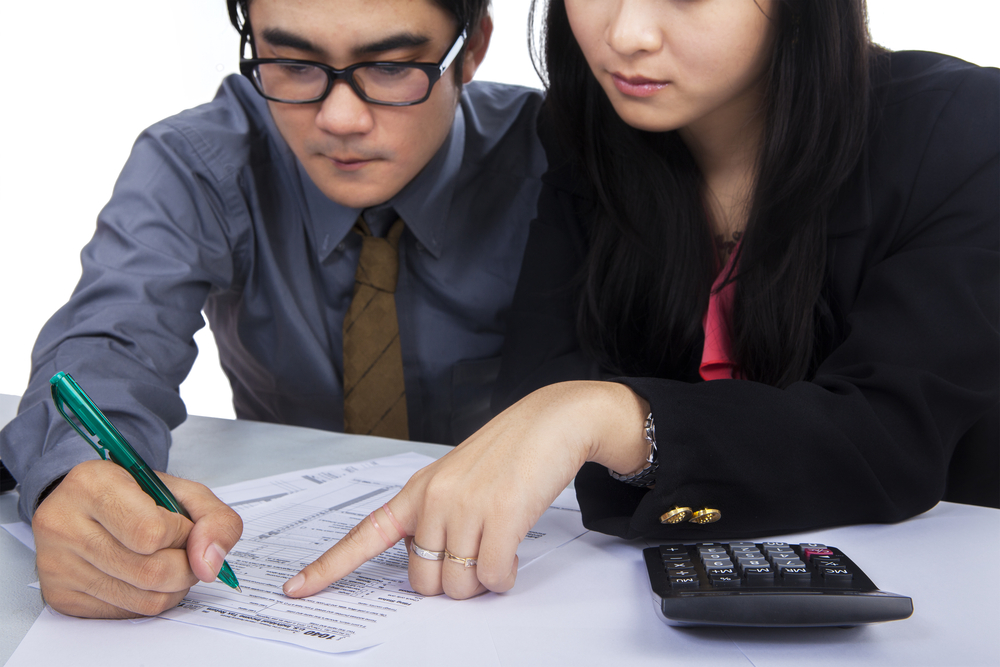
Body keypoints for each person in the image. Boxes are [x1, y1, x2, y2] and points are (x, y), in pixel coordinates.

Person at [283, 0, 998, 603]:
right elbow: (535, 400)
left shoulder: (961, 129)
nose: (626, 34)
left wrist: (615, 414)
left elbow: (893, 434)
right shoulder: (589, 134)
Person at [0, 0, 548, 618]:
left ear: (471, 47)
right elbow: (109, 344)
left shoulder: (563, 159)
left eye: (393, 68)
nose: (340, 118)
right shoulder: (199, 162)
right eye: (292, 63)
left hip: (525, 575)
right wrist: (79, 485)